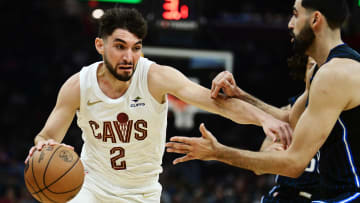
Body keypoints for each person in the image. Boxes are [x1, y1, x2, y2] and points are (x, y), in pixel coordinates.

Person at [24, 7, 292, 203]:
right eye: (120, 47)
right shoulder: (78, 86)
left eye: (136, 47)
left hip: (142, 193)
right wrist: (43, 146)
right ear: (100, 45)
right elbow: (47, 135)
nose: (129, 56)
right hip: (91, 188)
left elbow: (219, 104)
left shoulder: (155, 77)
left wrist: (263, 119)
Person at [166, 0, 360, 201]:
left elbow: (294, 164)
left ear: (315, 19)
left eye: (295, 14)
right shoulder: (321, 69)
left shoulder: (335, 74)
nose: (290, 24)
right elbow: (289, 119)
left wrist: (218, 152)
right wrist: (240, 95)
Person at [260, 55, 320, 203]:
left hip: (326, 195)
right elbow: (259, 167)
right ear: (305, 72)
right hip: (286, 194)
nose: (318, 72)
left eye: (323, 67)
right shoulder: (288, 112)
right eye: (312, 66)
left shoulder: (347, 116)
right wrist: (270, 153)